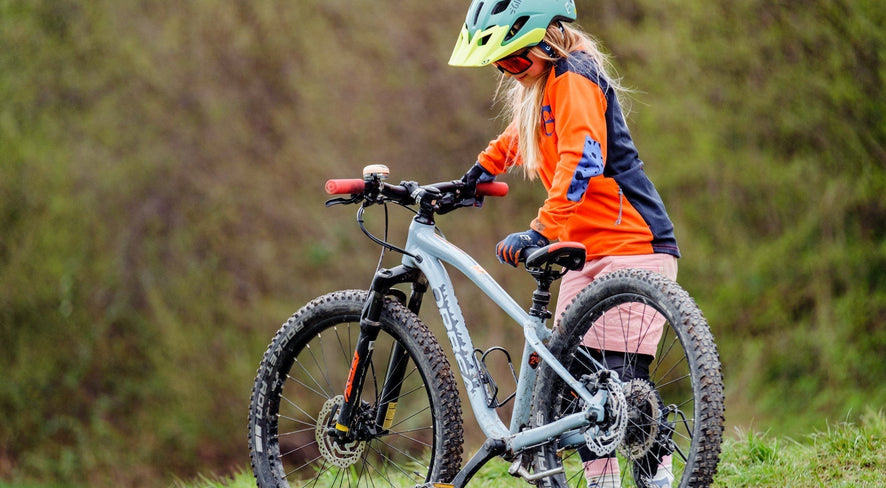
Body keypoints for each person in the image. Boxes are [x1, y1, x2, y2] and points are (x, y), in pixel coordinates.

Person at [450, 1, 680, 487]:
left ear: (546, 40)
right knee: (578, 384)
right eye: (500, 65)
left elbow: (582, 158)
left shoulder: (574, 75)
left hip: (633, 244)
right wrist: (480, 171)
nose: (510, 73)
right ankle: (602, 482)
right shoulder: (546, 87)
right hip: (585, 254)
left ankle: (658, 480)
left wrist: (541, 230)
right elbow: (523, 135)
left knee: (620, 384)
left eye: (516, 59)